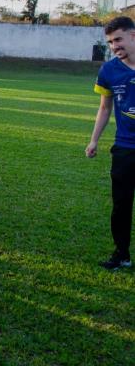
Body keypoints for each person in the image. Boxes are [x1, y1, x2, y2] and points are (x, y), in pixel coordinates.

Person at [86, 16, 135, 271]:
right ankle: (122, 254)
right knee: (121, 205)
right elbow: (105, 108)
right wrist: (94, 140)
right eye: (110, 42)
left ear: (133, 36)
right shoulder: (108, 70)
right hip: (125, 148)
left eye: (118, 39)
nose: (114, 46)